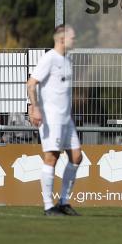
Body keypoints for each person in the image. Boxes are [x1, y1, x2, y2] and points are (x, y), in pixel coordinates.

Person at [27, 25, 83, 216]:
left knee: (76, 157)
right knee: (52, 157)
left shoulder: (67, 60)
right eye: (72, 37)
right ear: (61, 39)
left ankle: (64, 202)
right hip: (52, 118)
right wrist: (34, 108)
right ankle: (48, 205)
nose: (74, 40)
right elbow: (31, 83)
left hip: (67, 118)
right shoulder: (49, 58)